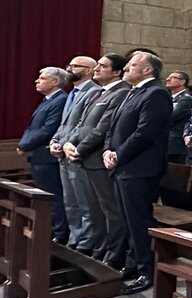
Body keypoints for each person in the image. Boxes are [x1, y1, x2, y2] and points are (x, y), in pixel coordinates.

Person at [103, 51, 172, 294]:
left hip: (140, 168)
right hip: (124, 166)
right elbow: (114, 127)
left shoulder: (156, 93)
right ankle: (132, 265)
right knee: (128, 220)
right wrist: (108, 150)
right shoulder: (133, 92)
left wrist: (118, 154)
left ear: (147, 70)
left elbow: (145, 133)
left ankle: (147, 270)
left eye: (132, 65)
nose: (126, 69)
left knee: (139, 221)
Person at [63, 54, 130, 269]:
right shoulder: (97, 93)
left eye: (102, 66)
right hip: (84, 158)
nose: (97, 69)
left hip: (98, 159)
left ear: (117, 72)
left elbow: (103, 128)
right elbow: (82, 123)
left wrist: (79, 150)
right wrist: (69, 143)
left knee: (109, 210)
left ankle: (113, 254)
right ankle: (99, 247)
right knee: (93, 209)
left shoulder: (121, 92)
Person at [50, 56, 99, 252]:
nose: (69, 68)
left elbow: (84, 126)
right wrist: (54, 141)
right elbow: (65, 124)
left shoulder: (93, 92)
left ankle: (86, 243)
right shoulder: (73, 92)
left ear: (88, 70)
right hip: (64, 153)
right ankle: (74, 239)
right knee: (70, 202)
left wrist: (62, 144)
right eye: (68, 65)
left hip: (77, 154)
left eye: (75, 66)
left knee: (84, 203)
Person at [17, 67, 70, 244]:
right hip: (38, 155)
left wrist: (25, 145)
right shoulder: (48, 100)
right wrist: (24, 144)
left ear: (55, 82)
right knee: (47, 196)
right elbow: (33, 127)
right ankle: (52, 230)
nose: (37, 81)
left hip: (47, 157)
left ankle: (59, 233)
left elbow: (49, 129)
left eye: (42, 78)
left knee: (54, 197)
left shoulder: (60, 100)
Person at [165, 71, 192, 163]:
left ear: (182, 82)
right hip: (166, 143)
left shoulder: (185, 99)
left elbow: (171, 117)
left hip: (175, 145)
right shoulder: (169, 98)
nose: (167, 79)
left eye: (172, 77)